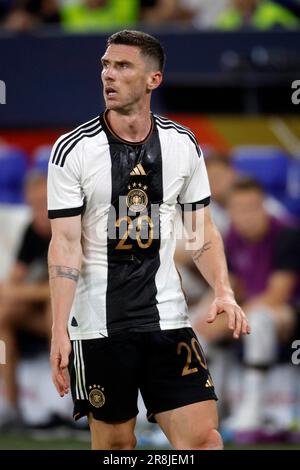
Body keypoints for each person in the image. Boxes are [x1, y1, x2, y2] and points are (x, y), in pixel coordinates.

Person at [47, 29, 250, 450]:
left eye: (122, 66)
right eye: (106, 65)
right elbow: (65, 244)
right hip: (98, 324)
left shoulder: (182, 144)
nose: (109, 74)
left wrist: (223, 290)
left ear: (153, 79)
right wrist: (58, 329)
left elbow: (201, 232)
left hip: (168, 317)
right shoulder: (73, 150)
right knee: (117, 446)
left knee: (203, 441)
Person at [0, 170, 51, 429]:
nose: (39, 211)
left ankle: (69, 402)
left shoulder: (71, 227)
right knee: (1, 317)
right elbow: (11, 282)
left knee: (57, 309)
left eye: (44, 204)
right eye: (34, 205)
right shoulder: (32, 230)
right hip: (44, 317)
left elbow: (65, 288)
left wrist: (24, 291)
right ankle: (10, 404)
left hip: (81, 318)